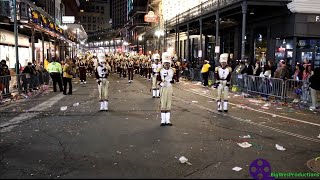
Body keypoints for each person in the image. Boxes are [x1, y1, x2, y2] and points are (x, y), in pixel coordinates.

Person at [159, 52, 174, 126]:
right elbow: (160, 79)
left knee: (169, 103)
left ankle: (167, 120)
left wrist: (165, 79)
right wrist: (162, 81)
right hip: (163, 87)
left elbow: (170, 78)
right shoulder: (161, 70)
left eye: (168, 63)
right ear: (163, 64)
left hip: (169, 87)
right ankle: (163, 120)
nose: (167, 65)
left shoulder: (171, 70)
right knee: (163, 103)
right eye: (165, 63)